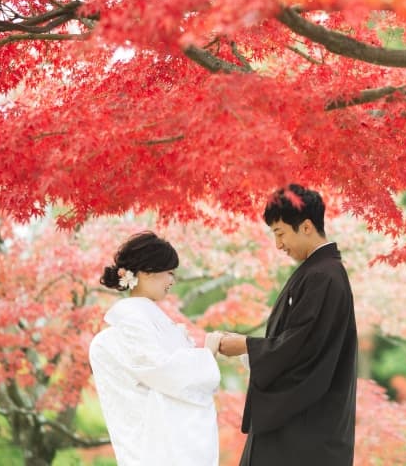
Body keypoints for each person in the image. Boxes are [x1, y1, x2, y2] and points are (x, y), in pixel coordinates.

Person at [219, 184, 358, 466]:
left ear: (306, 226)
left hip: (304, 432)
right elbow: (298, 341)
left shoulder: (323, 276)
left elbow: (303, 348)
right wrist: (252, 348)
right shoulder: (318, 271)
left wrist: (245, 345)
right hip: (302, 426)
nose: (278, 244)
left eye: (280, 233)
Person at [89, 231, 224, 466]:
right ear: (147, 271)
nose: (172, 281)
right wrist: (207, 354)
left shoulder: (145, 317)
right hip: (156, 449)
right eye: (169, 272)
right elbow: (164, 372)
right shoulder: (134, 318)